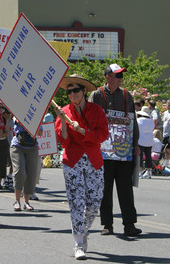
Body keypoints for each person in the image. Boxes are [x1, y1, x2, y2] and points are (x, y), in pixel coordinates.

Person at [55, 74, 109, 260]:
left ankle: (83, 229)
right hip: (73, 160)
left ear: (84, 91)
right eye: (69, 92)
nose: (72, 94)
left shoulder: (97, 110)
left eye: (76, 90)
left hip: (94, 159)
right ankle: (78, 243)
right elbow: (63, 140)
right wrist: (63, 121)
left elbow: (103, 135)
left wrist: (83, 131)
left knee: (94, 202)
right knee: (76, 202)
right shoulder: (64, 111)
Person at [89, 63, 142, 236]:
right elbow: (89, 119)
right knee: (105, 188)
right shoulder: (96, 95)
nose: (120, 79)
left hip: (123, 150)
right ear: (107, 78)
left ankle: (129, 224)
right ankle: (107, 224)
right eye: (117, 76)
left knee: (125, 188)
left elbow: (132, 122)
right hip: (103, 150)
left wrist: (136, 145)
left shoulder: (127, 96)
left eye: (121, 76)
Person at [11, 118, 43, 212]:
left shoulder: (38, 116)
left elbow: (40, 133)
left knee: (31, 174)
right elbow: (19, 121)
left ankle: (26, 202)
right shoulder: (18, 113)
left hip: (32, 146)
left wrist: (32, 126)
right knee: (20, 172)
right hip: (18, 146)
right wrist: (32, 126)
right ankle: (17, 201)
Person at [0, 103, 11, 189]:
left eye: (2, 107)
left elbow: (7, 132)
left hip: (3, 143)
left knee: (2, 163)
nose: (0, 109)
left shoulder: (4, 119)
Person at [137, 106, 155, 179]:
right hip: (149, 140)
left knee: (140, 157)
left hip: (141, 140)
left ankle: (140, 172)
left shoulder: (138, 120)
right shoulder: (151, 121)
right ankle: (149, 172)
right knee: (148, 156)